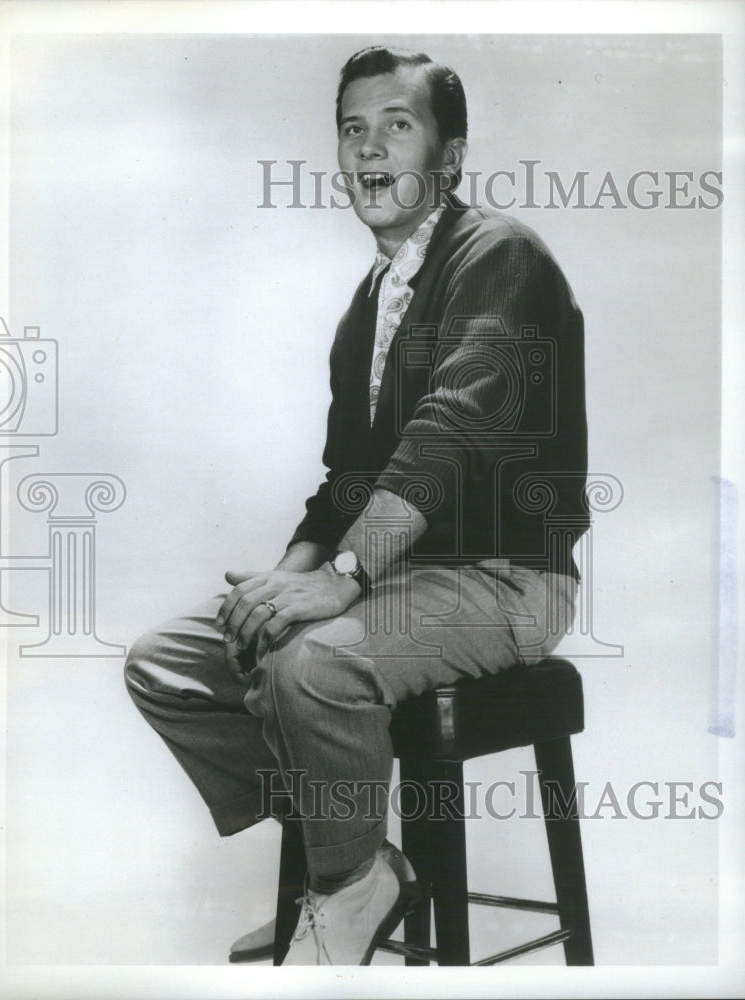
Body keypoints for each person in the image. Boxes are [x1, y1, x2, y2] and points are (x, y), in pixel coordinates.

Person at [124, 45, 589, 966]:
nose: (369, 148)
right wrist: (283, 582)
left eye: (398, 125)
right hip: (397, 579)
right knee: (165, 664)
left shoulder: (498, 256)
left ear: (448, 158)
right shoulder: (369, 302)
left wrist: (338, 580)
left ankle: (343, 889)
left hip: (507, 582)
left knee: (312, 668)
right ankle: (354, 862)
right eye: (352, 129)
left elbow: (448, 434)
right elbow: (345, 482)